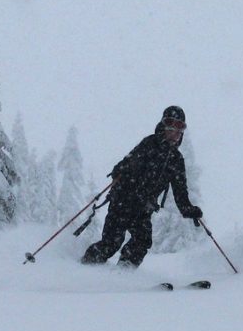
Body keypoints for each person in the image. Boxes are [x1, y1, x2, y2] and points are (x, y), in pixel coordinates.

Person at [81, 106, 204, 268]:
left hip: (143, 209)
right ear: (163, 127)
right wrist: (122, 170)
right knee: (112, 243)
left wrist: (188, 209)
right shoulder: (149, 144)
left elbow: (180, 191)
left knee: (142, 240)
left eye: (179, 128)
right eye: (171, 126)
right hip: (123, 202)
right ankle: (85, 267)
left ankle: (123, 274)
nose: (175, 133)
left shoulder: (176, 160)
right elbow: (126, 163)